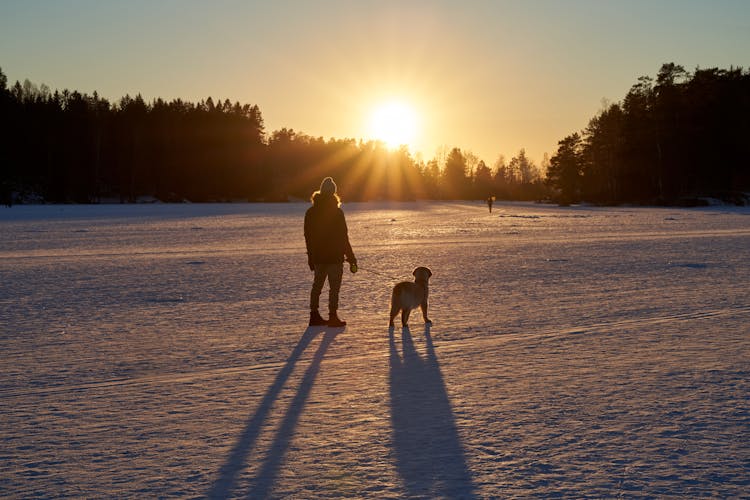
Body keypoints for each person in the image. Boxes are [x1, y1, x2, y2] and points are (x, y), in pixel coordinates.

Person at [304, 177, 357, 327]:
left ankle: (314, 316)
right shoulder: (337, 212)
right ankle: (332, 317)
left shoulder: (311, 212)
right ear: (333, 192)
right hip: (334, 257)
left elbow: (308, 236)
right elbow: (343, 237)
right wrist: (351, 257)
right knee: (334, 289)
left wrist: (311, 257)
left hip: (319, 257)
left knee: (317, 287)